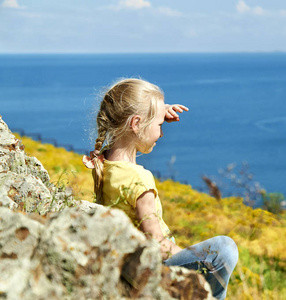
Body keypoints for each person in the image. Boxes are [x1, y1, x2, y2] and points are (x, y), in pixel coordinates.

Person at [82, 78, 238, 299]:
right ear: (135, 124)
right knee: (224, 248)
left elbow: (133, 123)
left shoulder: (104, 160)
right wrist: (185, 254)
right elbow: (157, 245)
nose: (162, 133)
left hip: (128, 266)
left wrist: (156, 111)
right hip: (153, 270)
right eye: (159, 126)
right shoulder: (139, 179)